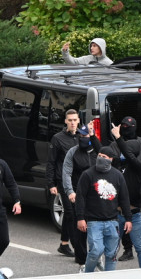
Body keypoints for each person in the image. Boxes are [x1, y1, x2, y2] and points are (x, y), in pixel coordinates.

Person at [75, 146, 132, 273]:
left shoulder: (118, 176)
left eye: (104, 157)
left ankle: (109, 278)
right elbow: (80, 198)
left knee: (112, 255)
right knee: (96, 251)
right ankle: (88, 273)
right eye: (99, 155)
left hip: (113, 221)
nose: (101, 158)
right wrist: (80, 218)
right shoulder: (87, 174)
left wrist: (128, 218)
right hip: (94, 222)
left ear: (111, 159)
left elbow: (124, 199)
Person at [111, 118, 141, 266]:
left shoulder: (138, 166)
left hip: (134, 213)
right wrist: (91, 136)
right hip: (117, 212)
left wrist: (118, 137)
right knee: (111, 249)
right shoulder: (118, 164)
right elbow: (102, 153)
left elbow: (129, 155)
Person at [63, 126, 101, 266]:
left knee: (97, 230)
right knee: (79, 230)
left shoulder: (97, 152)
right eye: (80, 135)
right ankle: (81, 261)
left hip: (97, 196)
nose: (81, 138)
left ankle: (96, 258)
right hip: (79, 195)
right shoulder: (72, 152)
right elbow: (66, 173)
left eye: (85, 135)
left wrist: (93, 137)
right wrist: (70, 191)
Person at [47, 109, 81, 257]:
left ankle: (63, 244)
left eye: (75, 120)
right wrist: (51, 184)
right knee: (72, 214)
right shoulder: (57, 138)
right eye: (70, 120)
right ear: (66, 121)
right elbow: (51, 162)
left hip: (79, 180)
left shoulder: (82, 136)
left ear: (78, 120)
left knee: (70, 213)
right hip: (63, 181)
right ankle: (78, 248)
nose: (73, 123)